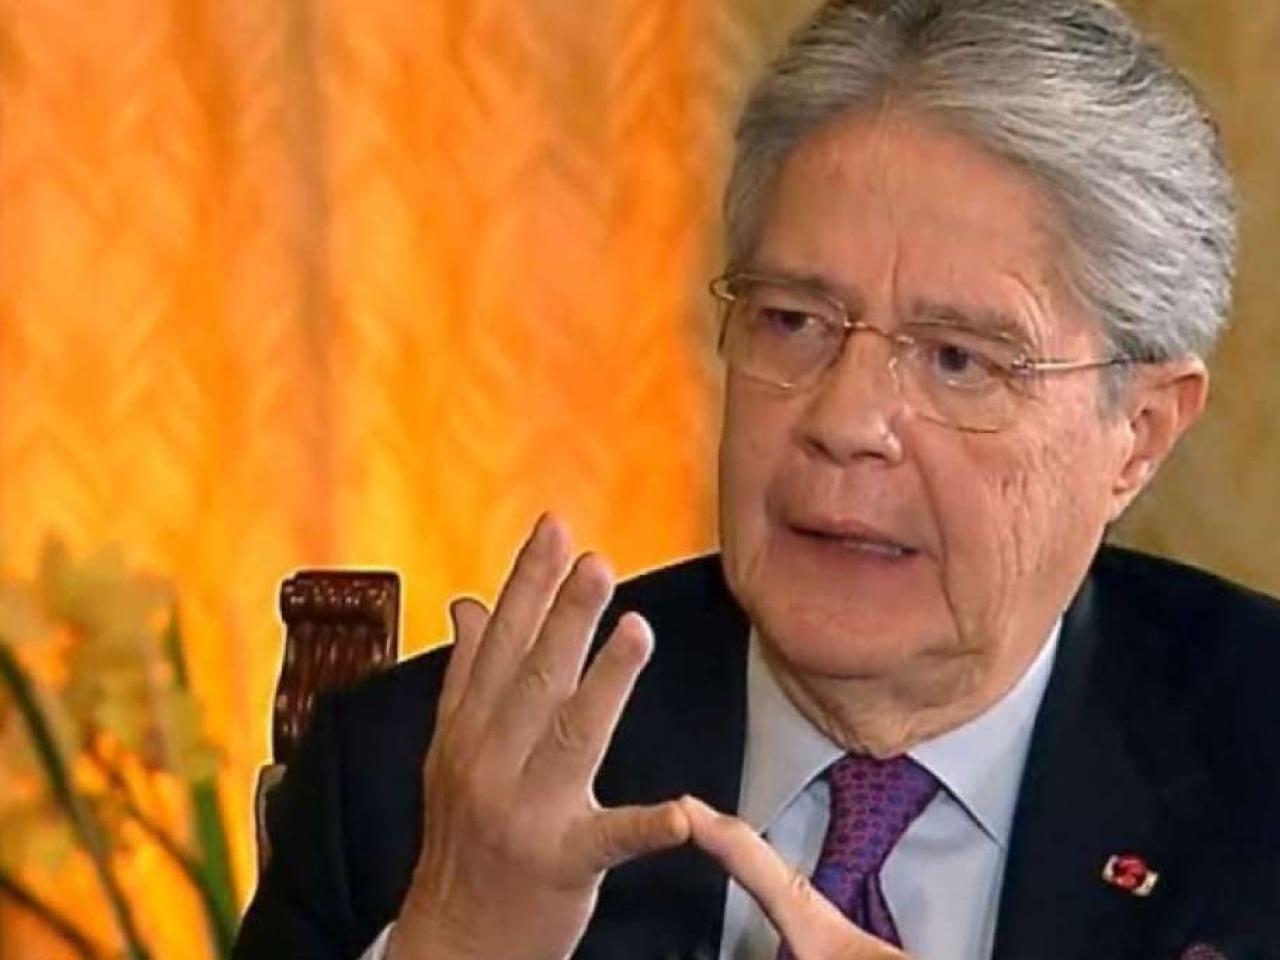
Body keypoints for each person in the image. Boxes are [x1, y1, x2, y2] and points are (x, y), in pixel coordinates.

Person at [233, 1, 1280, 958]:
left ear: (1137, 435)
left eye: (958, 359)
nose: (843, 422)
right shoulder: (416, 786)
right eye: (792, 322)